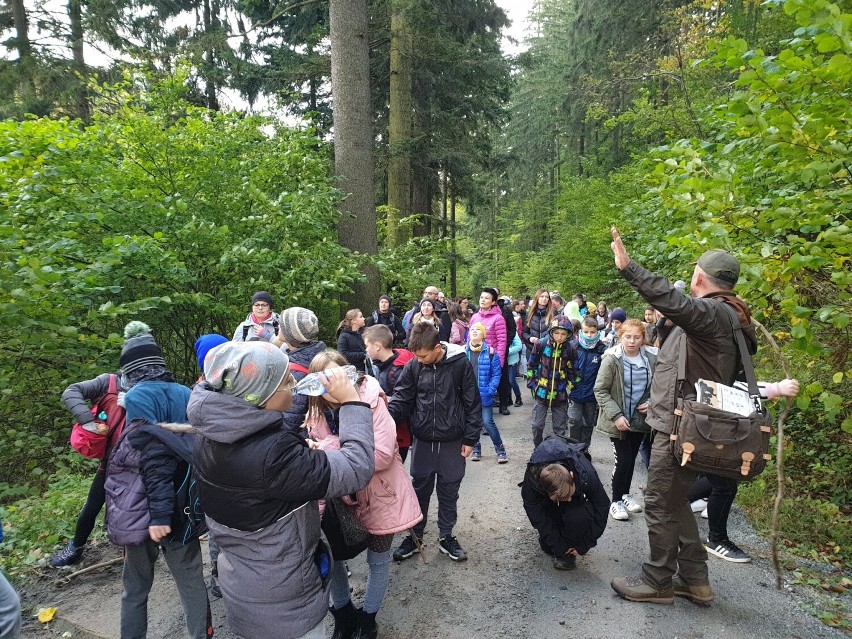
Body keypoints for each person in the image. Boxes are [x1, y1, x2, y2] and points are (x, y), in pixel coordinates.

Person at [609, 227, 756, 606]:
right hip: (686, 424)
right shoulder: (730, 315)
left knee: (659, 502)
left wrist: (629, 268)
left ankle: (658, 581)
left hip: (680, 427)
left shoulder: (713, 313)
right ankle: (695, 580)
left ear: (698, 277)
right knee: (674, 502)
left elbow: (674, 302)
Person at [188, 341, 375, 639]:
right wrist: (352, 402)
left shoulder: (209, 436)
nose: (295, 384)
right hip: (288, 604)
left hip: (244, 585)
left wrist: (303, 453)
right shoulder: (274, 454)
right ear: (260, 396)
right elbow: (357, 467)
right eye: (286, 380)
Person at [304, 350, 422, 639]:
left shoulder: (372, 399)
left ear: (350, 375)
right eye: (324, 380)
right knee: (335, 559)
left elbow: (380, 456)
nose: (332, 386)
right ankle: (344, 615)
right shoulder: (315, 408)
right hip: (338, 499)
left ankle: (368, 619)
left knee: (378, 559)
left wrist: (327, 447)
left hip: (380, 495)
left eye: (338, 377)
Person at [104, 321, 211, 639]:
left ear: (131, 370)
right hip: (186, 501)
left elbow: (153, 459)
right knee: (192, 580)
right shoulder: (186, 392)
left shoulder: (136, 398)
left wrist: (159, 514)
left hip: (146, 508)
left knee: (135, 588)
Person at [389, 322, 482, 563]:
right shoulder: (413, 366)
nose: (419, 360)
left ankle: (446, 536)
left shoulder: (460, 365)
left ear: (437, 347)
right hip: (422, 441)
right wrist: (384, 416)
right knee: (419, 489)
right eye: (416, 356)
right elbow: (402, 398)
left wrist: (471, 438)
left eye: (423, 355)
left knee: (449, 490)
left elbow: (472, 403)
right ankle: (415, 536)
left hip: (453, 441)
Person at [689, 378, 800, 563]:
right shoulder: (718, 358)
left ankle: (676, 507)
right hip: (712, 429)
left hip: (707, 427)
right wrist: (777, 388)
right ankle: (716, 539)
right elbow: (738, 386)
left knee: (718, 479)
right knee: (725, 485)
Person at [50, 368, 127, 567]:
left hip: (138, 461)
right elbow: (71, 391)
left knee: (132, 508)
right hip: (111, 461)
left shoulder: (150, 386)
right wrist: (88, 421)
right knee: (92, 505)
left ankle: (133, 554)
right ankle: (76, 548)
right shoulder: (108, 383)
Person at [594, 319, 658, 522]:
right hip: (619, 420)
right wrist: (616, 416)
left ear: (643, 338)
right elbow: (601, 390)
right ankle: (615, 501)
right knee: (622, 461)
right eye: (627, 337)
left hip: (640, 420)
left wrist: (652, 403)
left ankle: (625, 494)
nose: (631, 341)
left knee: (631, 459)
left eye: (636, 337)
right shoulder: (612, 359)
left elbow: (660, 387)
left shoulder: (651, 359)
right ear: (620, 336)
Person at [521, 437, 609, 570]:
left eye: (569, 495)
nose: (568, 500)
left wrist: (585, 544)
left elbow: (602, 506)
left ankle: (570, 547)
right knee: (549, 546)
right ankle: (560, 546)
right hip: (547, 492)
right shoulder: (532, 482)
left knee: (577, 515)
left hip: (574, 475)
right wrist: (558, 546)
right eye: (563, 499)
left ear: (572, 476)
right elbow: (537, 516)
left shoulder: (585, 473)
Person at [363, 324, 416, 461]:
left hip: (399, 433)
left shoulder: (397, 371)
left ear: (377, 346)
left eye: (367, 346)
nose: (366, 350)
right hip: (393, 430)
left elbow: (402, 404)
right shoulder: (384, 365)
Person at [525, 316, 577, 447]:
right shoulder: (541, 344)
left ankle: (558, 452)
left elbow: (574, 370)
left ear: (568, 335)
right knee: (537, 425)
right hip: (542, 391)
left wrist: (570, 386)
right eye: (557, 333)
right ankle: (538, 447)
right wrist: (533, 385)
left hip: (560, 393)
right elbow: (531, 365)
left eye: (563, 334)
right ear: (551, 332)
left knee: (560, 428)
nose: (560, 337)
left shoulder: (570, 349)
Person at [277, 307, 326, 434]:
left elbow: (290, 420)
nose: (278, 326)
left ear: (291, 335)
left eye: (282, 325)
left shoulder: (296, 372)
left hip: (302, 438)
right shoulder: (319, 354)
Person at [466, 323, 508, 463]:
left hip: (485, 394)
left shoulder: (490, 352)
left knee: (487, 422)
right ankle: (476, 449)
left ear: (484, 334)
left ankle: (500, 450)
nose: (475, 331)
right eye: (472, 329)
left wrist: (491, 390)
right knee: (472, 423)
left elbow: (497, 374)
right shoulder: (462, 351)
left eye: (478, 330)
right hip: (468, 396)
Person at [567, 316, 607, 447]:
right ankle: (573, 448)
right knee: (574, 420)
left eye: (592, 332)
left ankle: (584, 448)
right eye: (586, 332)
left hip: (592, 394)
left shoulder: (602, 350)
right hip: (574, 391)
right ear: (580, 332)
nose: (589, 335)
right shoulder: (573, 346)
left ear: (597, 332)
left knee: (588, 423)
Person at [506, 328, 524, 407]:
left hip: (512, 361)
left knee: (511, 380)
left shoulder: (512, 332)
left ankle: (518, 398)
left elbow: (519, 346)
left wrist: (506, 351)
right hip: (503, 361)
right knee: (506, 381)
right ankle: (509, 399)